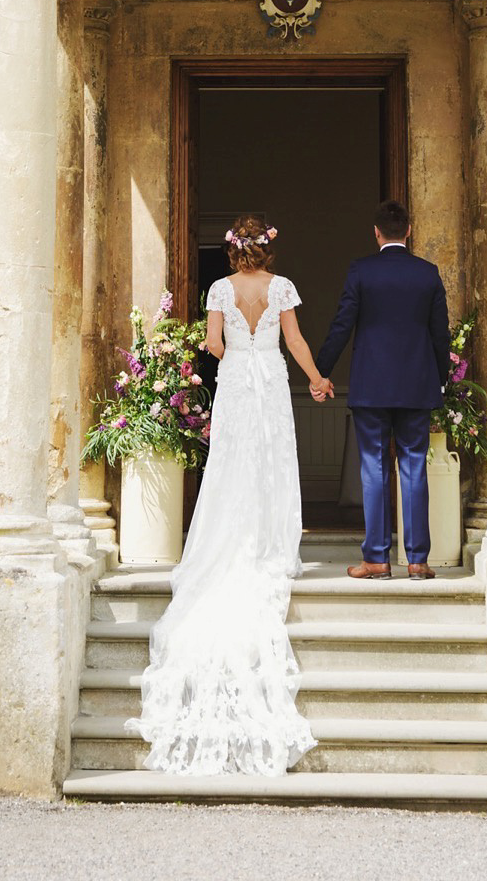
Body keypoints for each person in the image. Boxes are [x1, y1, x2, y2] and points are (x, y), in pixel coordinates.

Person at [127, 214, 326, 775]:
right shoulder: (281, 288)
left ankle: (230, 538)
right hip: (270, 378)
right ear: (266, 250)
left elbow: (212, 344)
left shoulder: (219, 288)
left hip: (238, 380)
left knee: (231, 464)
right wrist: (313, 377)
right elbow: (295, 339)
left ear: (235, 251)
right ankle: (271, 542)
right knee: (271, 462)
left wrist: (227, 345)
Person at [313, 200, 450, 581]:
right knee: (413, 469)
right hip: (417, 386)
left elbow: (342, 326)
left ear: (377, 234)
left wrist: (319, 372)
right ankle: (418, 561)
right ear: (408, 231)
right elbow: (441, 333)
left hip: (371, 387)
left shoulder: (362, 271)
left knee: (373, 469)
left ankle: (376, 559)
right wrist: (439, 378)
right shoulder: (428, 273)